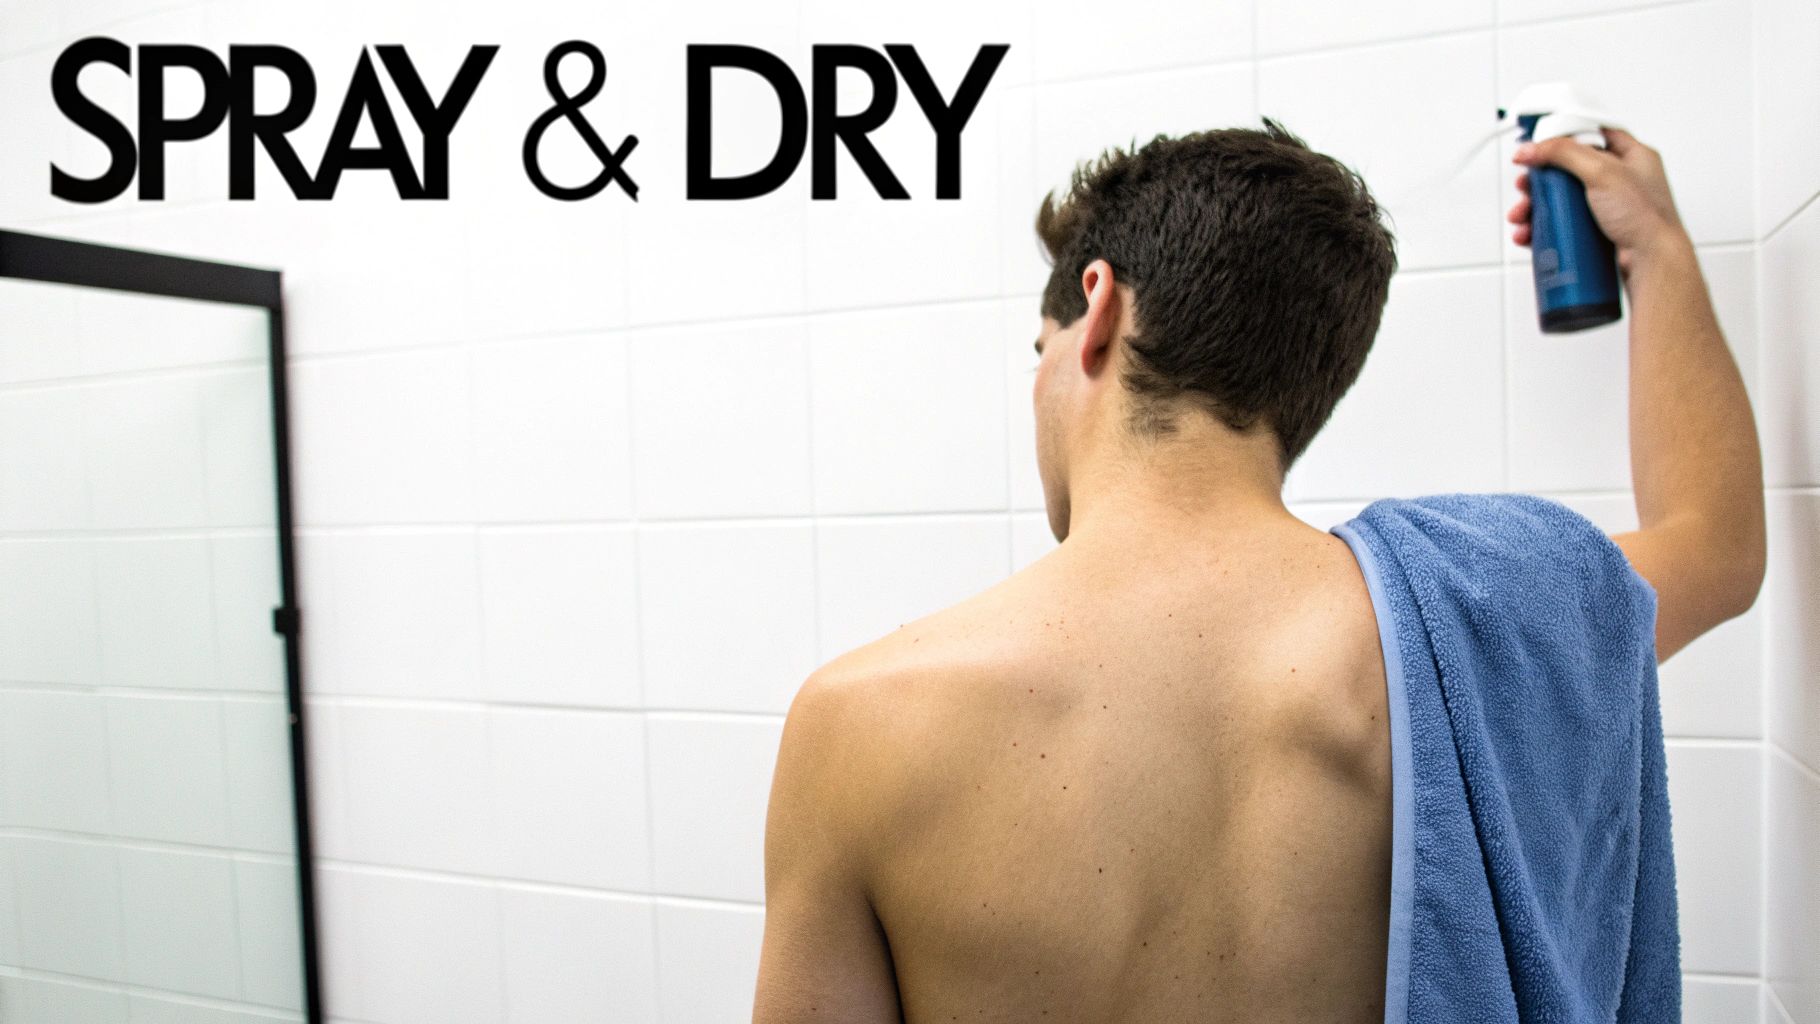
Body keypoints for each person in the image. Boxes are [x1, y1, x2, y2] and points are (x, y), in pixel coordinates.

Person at [751, 117, 1764, 1023]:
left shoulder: (858, 724)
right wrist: (1653, 249)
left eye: (1039, 346)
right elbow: (1714, 546)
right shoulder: (1477, 621)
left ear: (1096, 308)